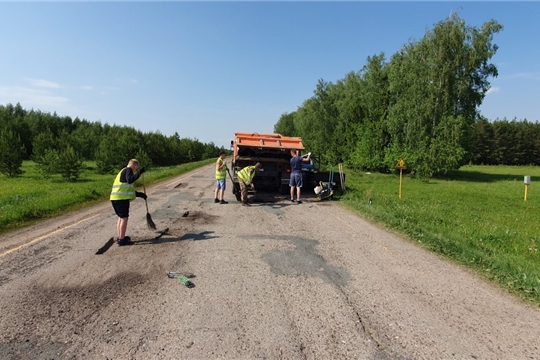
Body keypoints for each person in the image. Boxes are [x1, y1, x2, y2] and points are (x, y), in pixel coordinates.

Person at [110, 159, 147, 246]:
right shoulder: (128, 170)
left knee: (121, 218)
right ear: (134, 166)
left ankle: (120, 236)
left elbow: (126, 188)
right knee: (124, 218)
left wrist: (139, 194)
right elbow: (130, 180)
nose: (134, 171)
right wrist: (140, 172)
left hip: (115, 198)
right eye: (136, 169)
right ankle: (122, 240)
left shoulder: (122, 171)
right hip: (121, 199)